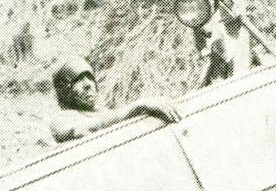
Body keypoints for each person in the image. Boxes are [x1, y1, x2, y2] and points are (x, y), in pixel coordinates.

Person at [49, 55, 180, 143]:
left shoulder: (106, 112)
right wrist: (138, 106)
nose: (88, 84)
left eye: (89, 77)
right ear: (65, 90)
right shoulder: (61, 120)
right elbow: (88, 128)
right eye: (78, 80)